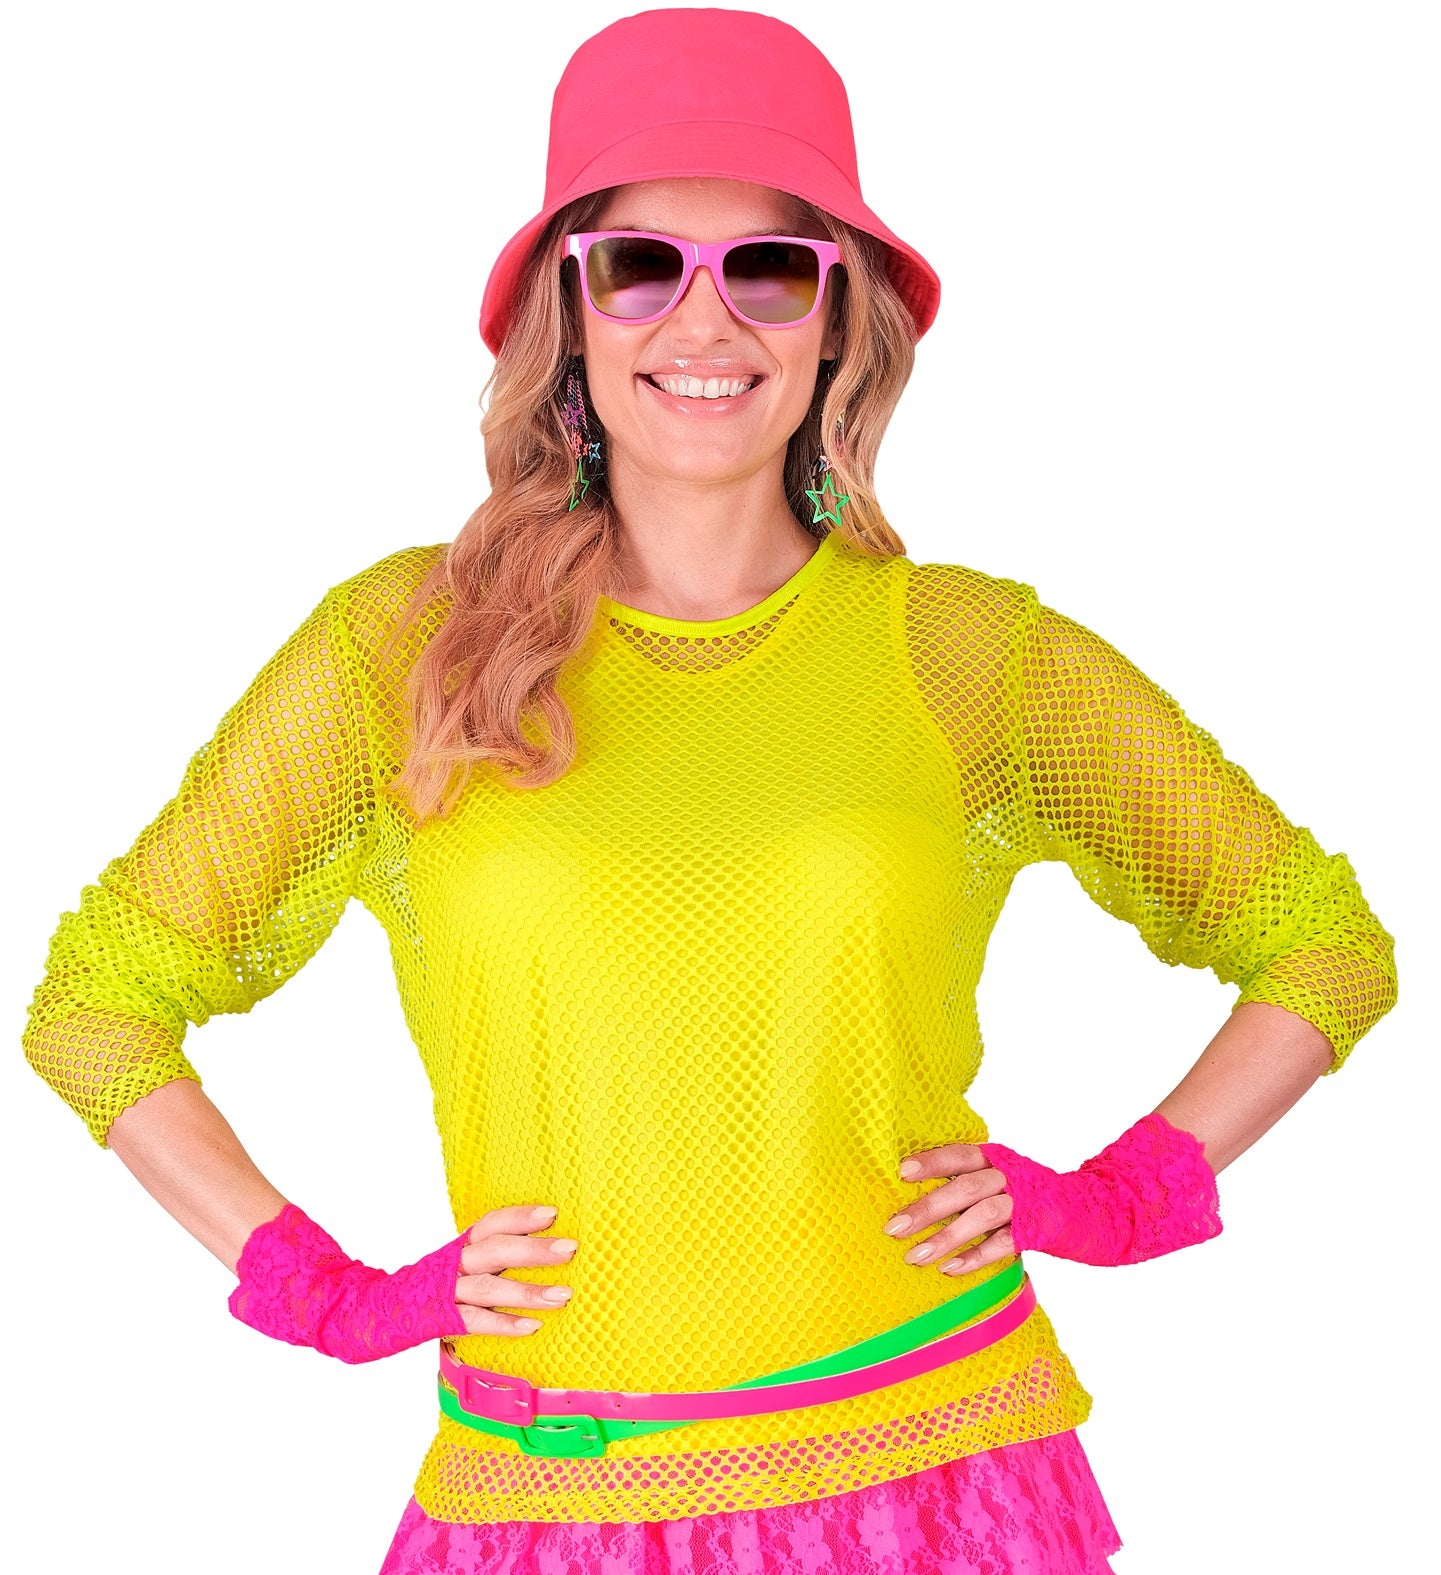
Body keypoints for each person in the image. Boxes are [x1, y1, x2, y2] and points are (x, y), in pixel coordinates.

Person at [20, 10, 1398, 1574]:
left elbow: (1319, 941)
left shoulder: (966, 656)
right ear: (567, 311)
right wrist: (324, 1293)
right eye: (637, 266)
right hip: (554, 1482)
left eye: (766, 269)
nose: (703, 319)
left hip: (936, 1462)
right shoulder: (398, 650)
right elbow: (99, 1001)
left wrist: (1119, 1199)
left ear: (836, 318)